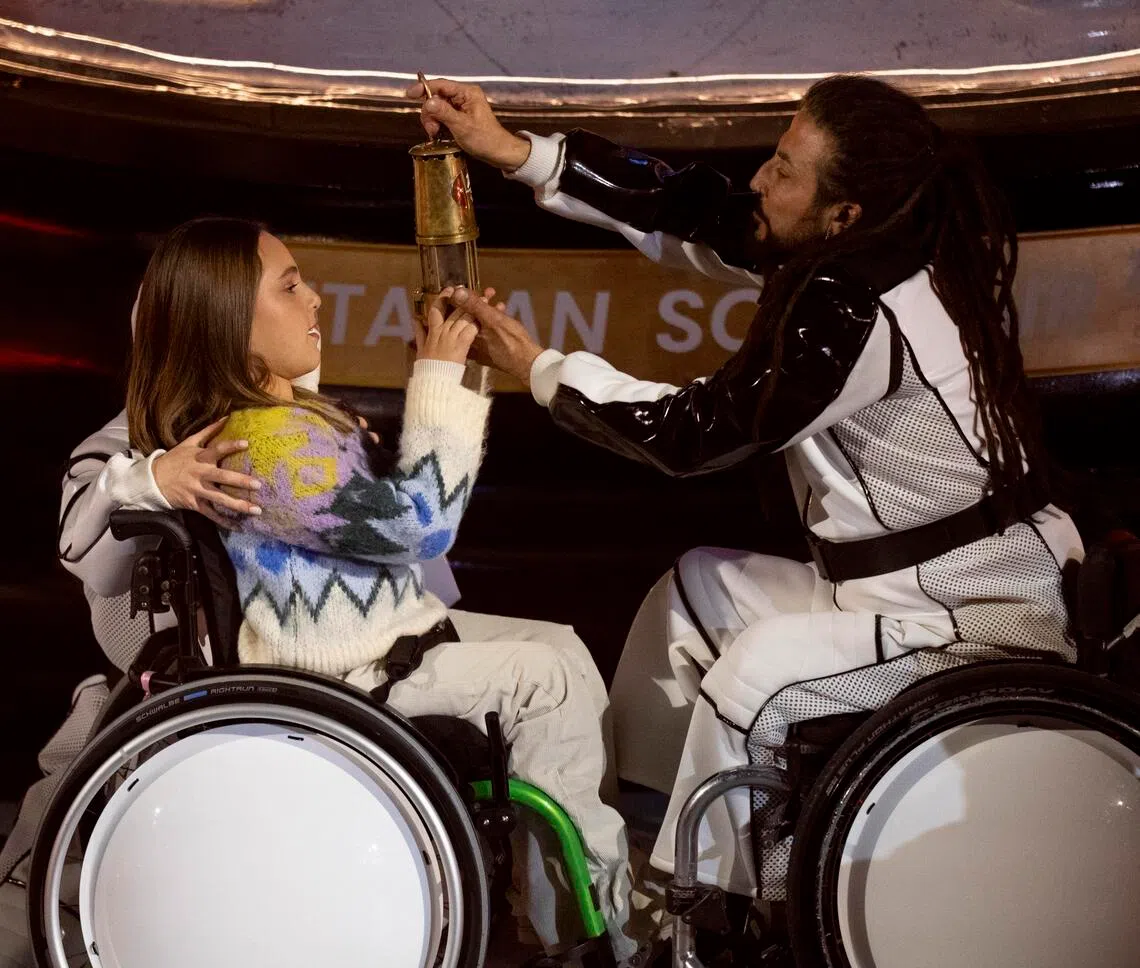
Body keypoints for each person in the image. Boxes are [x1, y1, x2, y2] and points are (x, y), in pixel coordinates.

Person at [411, 74, 1083, 902]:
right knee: (690, 598)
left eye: (785, 170)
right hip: (891, 590)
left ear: (843, 214)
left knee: (756, 678)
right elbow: (701, 215)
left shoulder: (854, 310)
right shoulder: (867, 244)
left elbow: (696, 433)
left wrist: (539, 368)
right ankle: (623, 863)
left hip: (977, 614)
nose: (760, 179)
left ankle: (727, 921)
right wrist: (516, 151)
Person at [123, 216, 637, 960]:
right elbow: (422, 526)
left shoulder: (280, 421)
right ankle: (589, 941)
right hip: (346, 681)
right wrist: (437, 379)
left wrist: (448, 372)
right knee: (547, 678)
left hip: (388, 638)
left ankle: (581, 892)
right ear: (230, 320)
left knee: (560, 644)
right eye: (290, 287)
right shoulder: (264, 445)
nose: (315, 300)